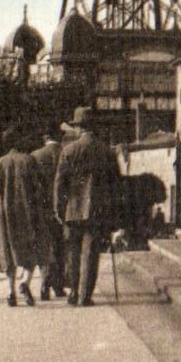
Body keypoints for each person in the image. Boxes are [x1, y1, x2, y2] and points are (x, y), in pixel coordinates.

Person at [53, 107, 121, 306]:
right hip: (97, 210)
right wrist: (114, 213)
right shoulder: (106, 150)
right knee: (91, 253)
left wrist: (59, 208)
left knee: (73, 253)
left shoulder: (69, 150)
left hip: (72, 209)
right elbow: (116, 185)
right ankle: (85, 295)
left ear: (78, 128)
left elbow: (60, 182)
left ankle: (73, 292)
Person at [0, 124, 43, 306]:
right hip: (28, 211)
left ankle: (10, 291)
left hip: (6, 214)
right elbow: (38, 188)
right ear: (19, 142)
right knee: (31, 249)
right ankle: (25, 282)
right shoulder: (29, 160)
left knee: (7, 252)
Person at [30, 127, 66, 299]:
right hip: (63, 208)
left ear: (45, 136)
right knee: (61, 247)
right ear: (60, 136)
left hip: (42, 209)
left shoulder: (35, 156)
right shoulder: (66, 153)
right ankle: (58, 286)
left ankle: (44, 285)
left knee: (45, 247)